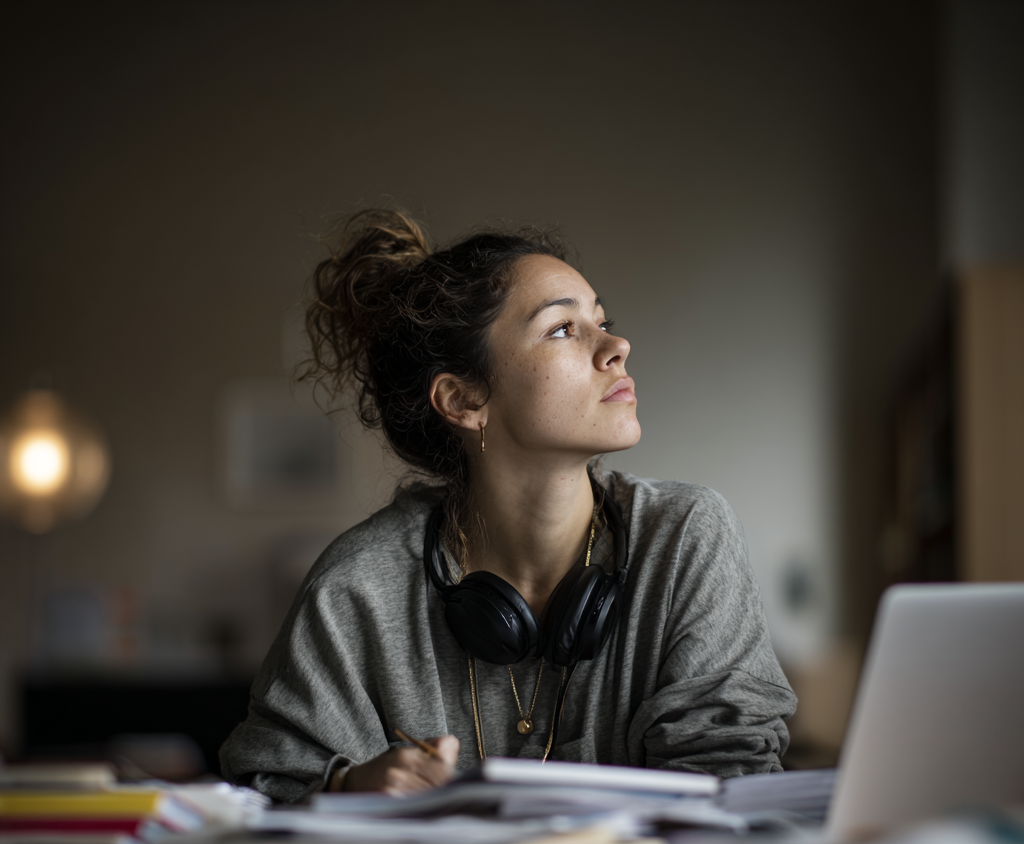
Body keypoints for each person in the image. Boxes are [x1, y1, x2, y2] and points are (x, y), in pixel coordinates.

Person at [220, 209, 796, 802]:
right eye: (562, 330)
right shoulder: (359, 584)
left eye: (601, 320)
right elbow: (265, 787)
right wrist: (348, 784)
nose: (617, 346)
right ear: (464, 399)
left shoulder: (686, 537)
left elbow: (732, 780)